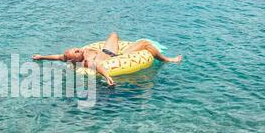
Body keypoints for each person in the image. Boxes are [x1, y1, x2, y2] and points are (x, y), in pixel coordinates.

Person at [32, 32, 182, 86]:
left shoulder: (73, 56)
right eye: (76, 51)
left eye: (75, 48)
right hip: (115, 57)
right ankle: (168, 60)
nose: (78, 48)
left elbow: (57, 57)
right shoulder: (86, 61)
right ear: (75, 59)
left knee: (113, 34)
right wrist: (108, 77)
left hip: (106, 51)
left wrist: (41, 57)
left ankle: (124, 46)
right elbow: (98, 66)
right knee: (145, 44)